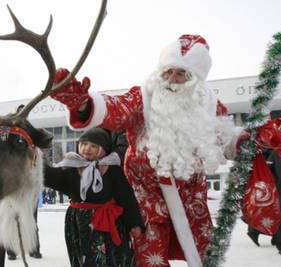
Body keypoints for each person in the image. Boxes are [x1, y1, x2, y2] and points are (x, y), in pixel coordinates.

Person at [51, 34, 247, 267]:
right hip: (146, 198)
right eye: (168, 71)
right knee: (150, 258)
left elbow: (229, 142)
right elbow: (115, 109)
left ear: (195, 79)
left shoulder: (209, 106)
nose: (172, 79)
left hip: (191, 198)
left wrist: (248, 142)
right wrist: (82, 104)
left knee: (205, 254)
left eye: (182, 73)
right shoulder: (142, 98)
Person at [44, 127, 145, 266]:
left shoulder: (111, 169)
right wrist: (34, 160)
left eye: (93, 146)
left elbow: (126, 198)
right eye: (84, 144)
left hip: (107, 225)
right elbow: (50, 177)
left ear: (103, 149)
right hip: (79, 225)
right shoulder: (71, 167)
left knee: (109, 259)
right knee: (83, 259)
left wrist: (134, 223)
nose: (87, 149)